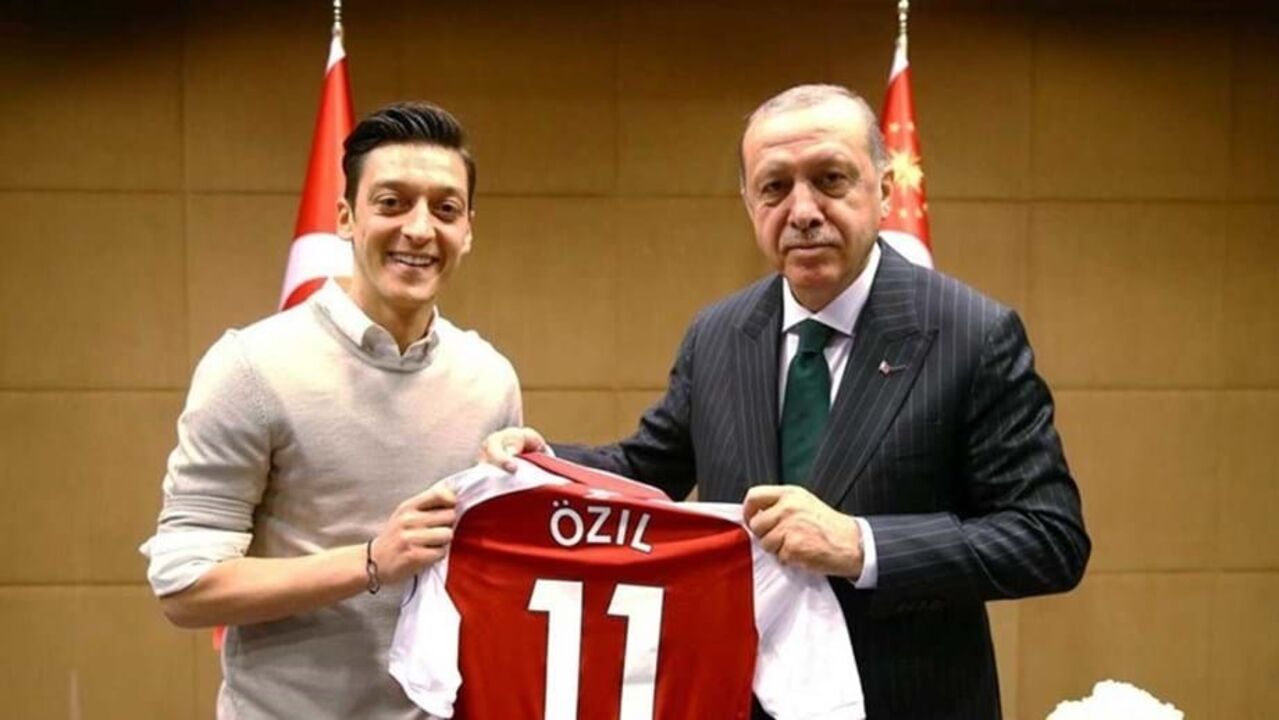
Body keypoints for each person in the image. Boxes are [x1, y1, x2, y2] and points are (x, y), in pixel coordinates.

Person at [484, 84, 1090, 719]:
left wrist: (861, 546)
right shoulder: (718, 334)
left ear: (884, 190)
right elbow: (647, 470)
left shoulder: (973, 334)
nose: (802, 211)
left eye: (830, 179)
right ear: (749, 204)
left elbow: (1048, 538)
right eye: (774, 187)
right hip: (740, 698)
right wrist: (544, 464)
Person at [141, 102, 522, 719]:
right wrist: (371, 562)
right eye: (392, 203)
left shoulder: (490, 378)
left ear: (468, 229)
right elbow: (185, 588)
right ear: (346, 217)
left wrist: (535, 480)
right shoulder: (251, 366)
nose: (419, 229)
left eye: (445, 209)